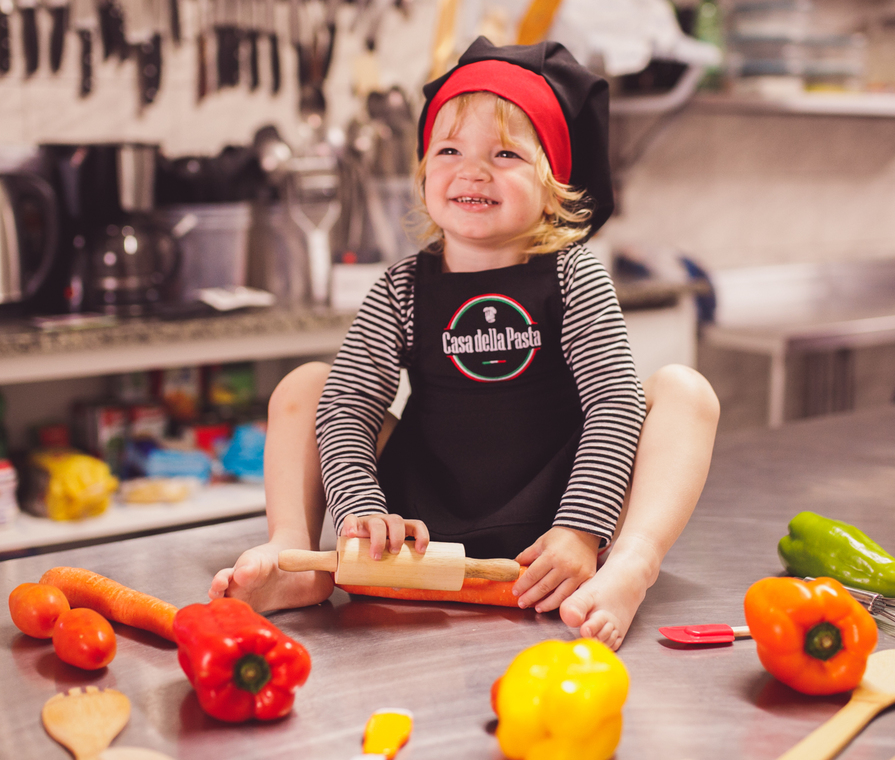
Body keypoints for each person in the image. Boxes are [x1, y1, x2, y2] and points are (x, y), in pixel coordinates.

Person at [210, 37, 719, 651]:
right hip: (419, 524)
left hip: (555, 520)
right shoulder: (401, 286)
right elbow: (347, 410)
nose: (472, 169)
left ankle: (630, 568)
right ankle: (294, 559)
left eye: (505, 153)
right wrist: (361, 513)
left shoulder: (574, 275)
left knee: (685, 392)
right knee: (309, 385)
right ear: (424, 173)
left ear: (553, 180)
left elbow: (613, 406)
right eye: (449, 149)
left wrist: (582, 530)